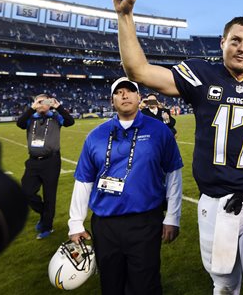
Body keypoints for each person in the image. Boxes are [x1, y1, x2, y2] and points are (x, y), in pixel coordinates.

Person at [113, 0, 243, 294]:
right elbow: (138, 71)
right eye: (236, 40)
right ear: (222, 42)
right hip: (216, 205)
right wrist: (125, 15)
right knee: (224, 286)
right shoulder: (202, 75)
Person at [67, 77, 183, 294]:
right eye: (118, 92)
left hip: (146, 221)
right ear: (112, 101)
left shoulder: (159, 131)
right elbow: (84, 180)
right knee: (111, 284)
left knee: (145, 284)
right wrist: (75, 223)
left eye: (130, 91)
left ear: (139, 97)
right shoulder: (95, 136)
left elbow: (173, 174)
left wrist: (173, 217)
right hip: (105, 224)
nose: (124, 95)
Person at [16, 94, 74, 239]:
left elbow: (70, 121)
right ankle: (44, 213)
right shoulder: (31, 117)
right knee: (26, 192)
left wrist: (58, 107)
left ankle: (47, 226)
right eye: (39, 102)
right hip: (33, 161)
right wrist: (32, 108)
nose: (42, 104)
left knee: (49, 195)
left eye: (45, 102)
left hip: (51, 161)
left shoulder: (55, 117)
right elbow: (20, 123)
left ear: (50, 103)